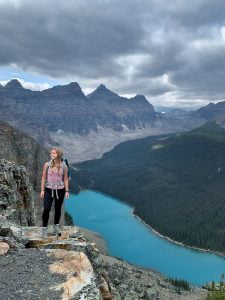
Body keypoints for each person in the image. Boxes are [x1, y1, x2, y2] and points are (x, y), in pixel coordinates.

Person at [40, 147, 69, 238]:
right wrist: (42, 190)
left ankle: (56, 226)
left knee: (58, 209)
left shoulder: (64, 166)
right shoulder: (47, 165)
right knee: (47, 208)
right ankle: (44, 229)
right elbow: (44, 178)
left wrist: (67, 191)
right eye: (51, 153)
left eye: (53, 153)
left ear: (58, 155)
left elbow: (66, 179)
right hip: (49, 189)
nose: (51, 154)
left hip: (60, 190)